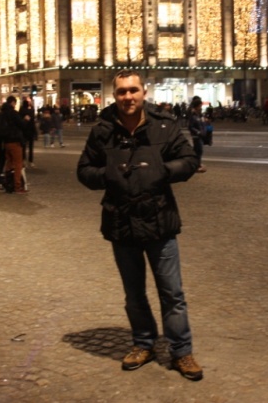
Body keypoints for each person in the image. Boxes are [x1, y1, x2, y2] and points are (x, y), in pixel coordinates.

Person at [77, 70, 203, 382]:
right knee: (133, 293)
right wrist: (108, 175)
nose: (128, 97)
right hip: (121, 221)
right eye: (122, 91)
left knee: (172, 293)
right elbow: (84, 170)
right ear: (114, 95)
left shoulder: (164, 125)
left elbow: (189, 160)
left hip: (159, 219)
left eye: (133, 90)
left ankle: (181, 351)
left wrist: (160, 171)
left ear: (143, 92)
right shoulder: (103, 129)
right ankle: (143, 344)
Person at [0, 95, 29, 194]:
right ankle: (17, 186)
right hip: (15, 140)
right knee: (18, 164)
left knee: (9, 163)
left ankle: (8, 183)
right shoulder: (13, 113)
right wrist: (25, 119)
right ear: (12, 103)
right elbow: (21, 125)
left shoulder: (2, 114)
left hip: (6, 142)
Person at [187, 96, 207, 173]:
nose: (201, 107)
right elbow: (190, 126)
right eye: (200, 106)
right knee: (198, 151)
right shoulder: (193, 115)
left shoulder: (199, 114)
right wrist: (198, 132)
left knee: (197, 151)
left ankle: (196, 164)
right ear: (197, 106)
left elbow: (201, 123)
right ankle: (195, 165)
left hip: (200, 135)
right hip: (196, 136)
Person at [18, 96, 37, 167]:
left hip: (24, 130)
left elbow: (19, 120)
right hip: (30, 130)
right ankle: (30, 161)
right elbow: (33, 121)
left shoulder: (21, 110)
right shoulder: (31, 110)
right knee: (31, 147)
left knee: (23, 147)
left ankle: (23, 160)